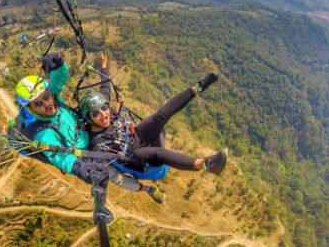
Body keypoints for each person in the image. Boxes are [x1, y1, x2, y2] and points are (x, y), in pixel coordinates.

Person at [79, 53, 227, 195]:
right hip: (138, 159)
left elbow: (105, 88)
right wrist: (142, 188)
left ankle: (198, 87)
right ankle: (206, 164)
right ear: (89, 118)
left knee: (160, 117)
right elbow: (114, 176)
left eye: (104, 108)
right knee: (158, 153)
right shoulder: (96, 143)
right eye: (95, 114)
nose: (103, 114)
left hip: (136, 135)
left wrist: (103, 67)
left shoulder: (106, 110)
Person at [12, 53, 110, 202]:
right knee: (109, 170)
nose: (46, 104)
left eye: (45, 97)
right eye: (38, 104)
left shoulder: (54, 97)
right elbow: (58, 154)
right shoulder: (42, 131)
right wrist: (79, 167)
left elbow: (58, 77)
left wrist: (58, 63)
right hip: (81, 153)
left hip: (85, 130)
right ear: (31, 109)